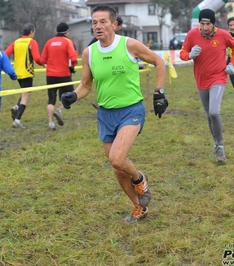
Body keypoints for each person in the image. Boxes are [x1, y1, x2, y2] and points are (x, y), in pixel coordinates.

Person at [60, 5, 167, 223]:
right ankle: (139, 207)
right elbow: (86, 85)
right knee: (117, 169)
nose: (97, 26)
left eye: (102, 22)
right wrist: (73, 95)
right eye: (94, 22)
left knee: (117, 158)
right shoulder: (89, 53)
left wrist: (159, 93)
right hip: (106, 114)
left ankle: (140, 178)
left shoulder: (129, 45)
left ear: (114, 24)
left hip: (131, 110)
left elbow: (159, 61)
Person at [180, 9, 234, 162]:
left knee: (214, 112)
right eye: (202, 24)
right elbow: (183, 53)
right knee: (208, 115)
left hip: (218, 77)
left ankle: (220, 147)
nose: (205, 27)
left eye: (208, 24)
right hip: (201, 79)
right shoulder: (192, 34)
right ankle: (216, 144)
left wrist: (232, 64)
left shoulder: (223, 35)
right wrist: (190, 54)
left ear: (213, 24)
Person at [40, 22, 78, 130]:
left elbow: (42, 60)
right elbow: (73, 58)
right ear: (66, 31)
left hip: (50, 75)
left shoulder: (49, 42)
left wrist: (47, 65)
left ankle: (51, 123)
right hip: (64, 74)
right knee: (70, 95)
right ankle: (60, 110)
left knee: (51, 99)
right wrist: (72, 66)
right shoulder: (68, 41)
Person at [5, 23, 43, 128]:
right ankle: (17, 120)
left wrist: (8, 66)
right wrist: (43, 63)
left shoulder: (16, 42)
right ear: (31, 32)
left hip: (17, 73)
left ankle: (17, 106)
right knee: (26, 96)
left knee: (24, 91)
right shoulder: (32, 42)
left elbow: (5, 54)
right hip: (27, 72)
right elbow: (36, 58)